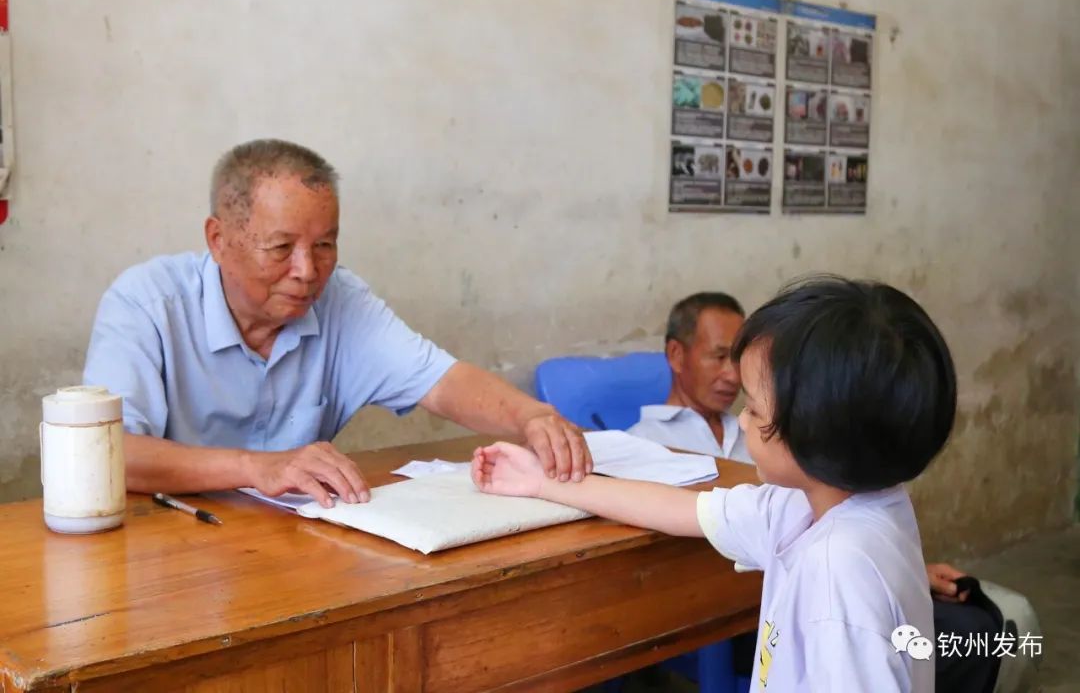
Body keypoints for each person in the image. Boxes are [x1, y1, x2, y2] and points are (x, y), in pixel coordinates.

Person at [473, 276, 957, 691]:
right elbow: (684, 508)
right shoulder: (814, 506)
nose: (743, 420)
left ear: (816, 429)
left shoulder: (838, 577)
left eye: (756, 409)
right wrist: (542, 483)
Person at [83, 139, 590, 508]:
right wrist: (258, 468)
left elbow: (441, 382)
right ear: (218, 240)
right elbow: (110, 452)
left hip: (294, 547)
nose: (307, 271)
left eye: (325, 245)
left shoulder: (341, 299)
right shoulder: (147, 303)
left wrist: (531, 416)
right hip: (172, 547)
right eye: (281, 248)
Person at [627, 292, 751, 464]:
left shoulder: (755, 435)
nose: (734, 376)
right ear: (676, 355)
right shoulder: (641, 443)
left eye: (738, 359)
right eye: (719, 357)